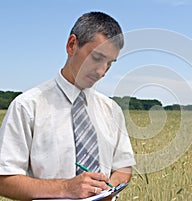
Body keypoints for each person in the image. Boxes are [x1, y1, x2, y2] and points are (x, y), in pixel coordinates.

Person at [0, 11, 136, 200]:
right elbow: (4, 181)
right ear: (72, 45)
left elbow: (123, 167)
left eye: (109, 63)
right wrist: (65, 188)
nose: (102, 71)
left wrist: (105, 191)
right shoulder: (27, 106)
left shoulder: (112, 110)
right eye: (97, 58)